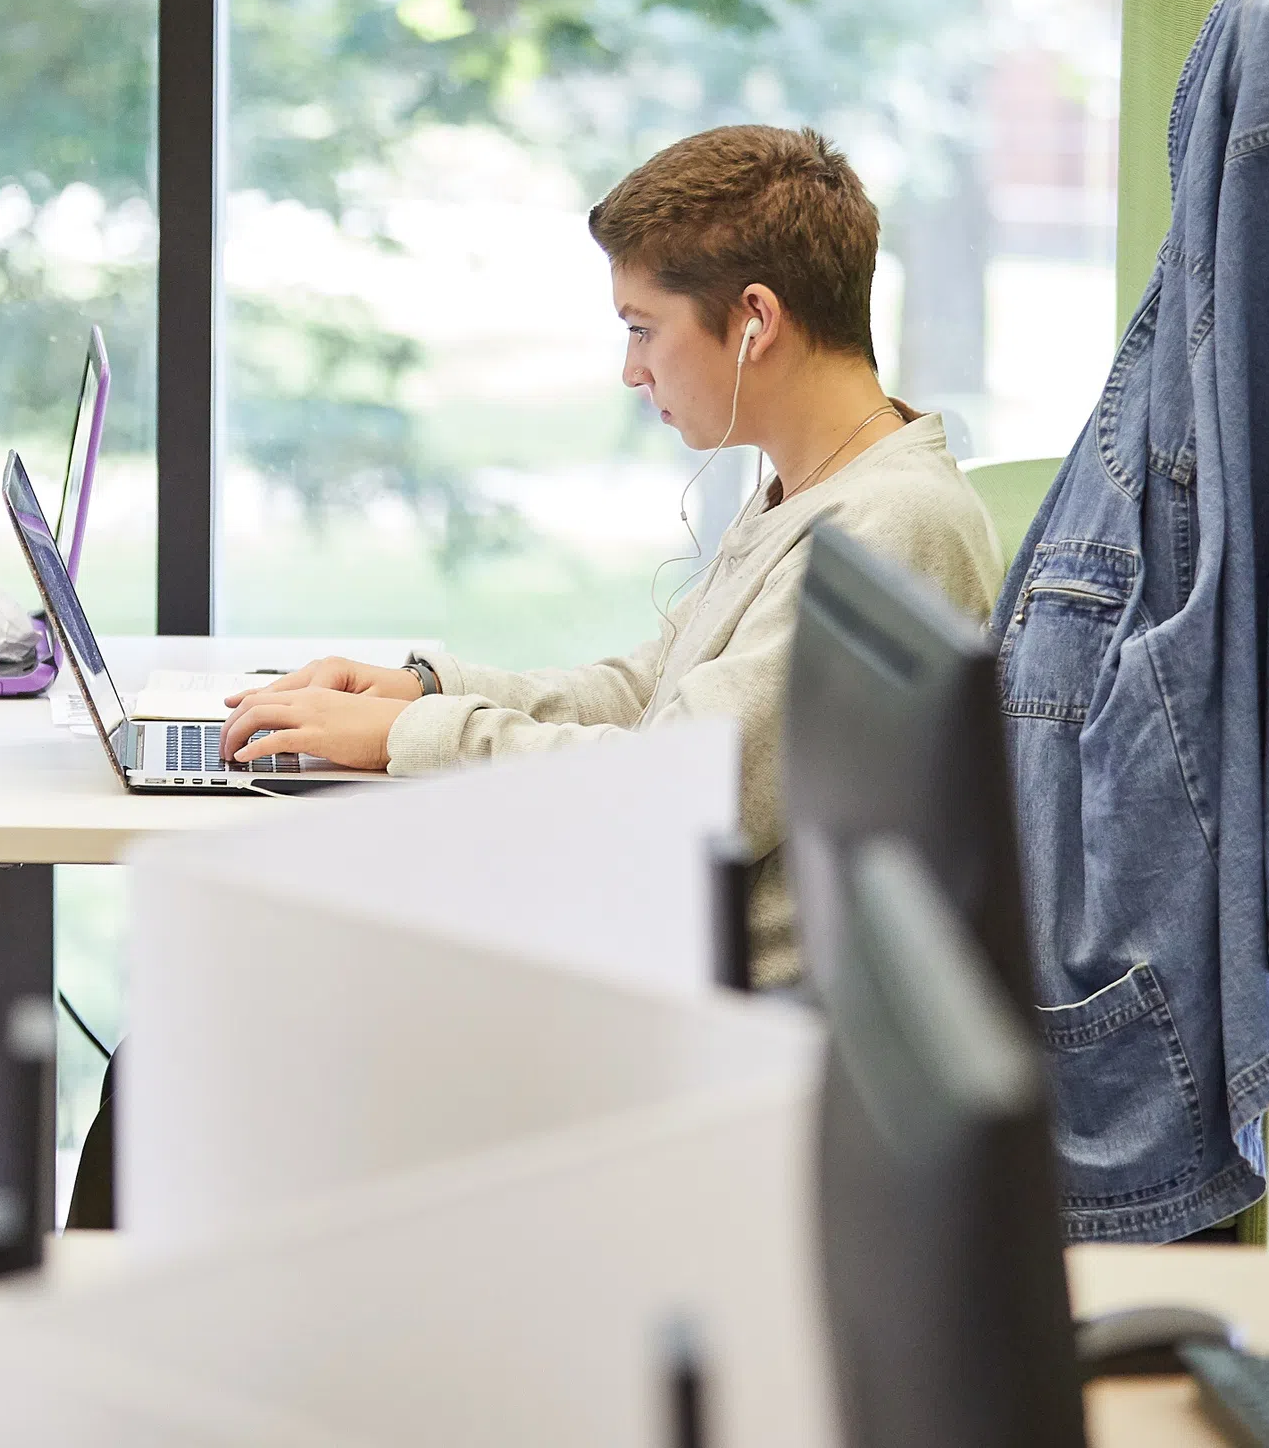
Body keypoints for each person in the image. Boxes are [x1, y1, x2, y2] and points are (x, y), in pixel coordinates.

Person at [218, 124, 1004, 986]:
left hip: (712, 1015)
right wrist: (431, 690)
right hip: (648, 950)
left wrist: (414, 736)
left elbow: (675, 789)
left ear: (755, 322)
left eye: (642, 329)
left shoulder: (890, 526)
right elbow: (648, 696)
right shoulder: (815, 486)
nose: (633, 371)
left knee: (230, 1018)